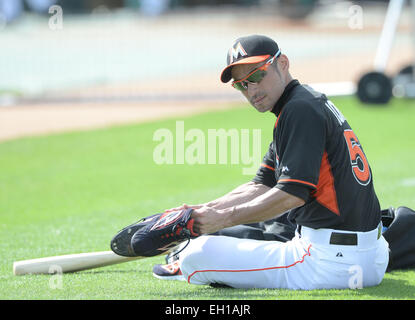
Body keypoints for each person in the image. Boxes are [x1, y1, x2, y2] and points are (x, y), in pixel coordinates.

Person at [151, 34, 390, 290]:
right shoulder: (303, 101)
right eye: (240, 85)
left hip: (328, 263)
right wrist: (201, 210)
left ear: (283, 63)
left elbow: (291, 196)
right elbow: (261, 184)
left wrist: (220, 219)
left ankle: (185, 263)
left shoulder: (298, 110)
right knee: (254, 222)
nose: (250, 90)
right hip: (370, 257)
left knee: (195, 254)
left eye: (255, 75)